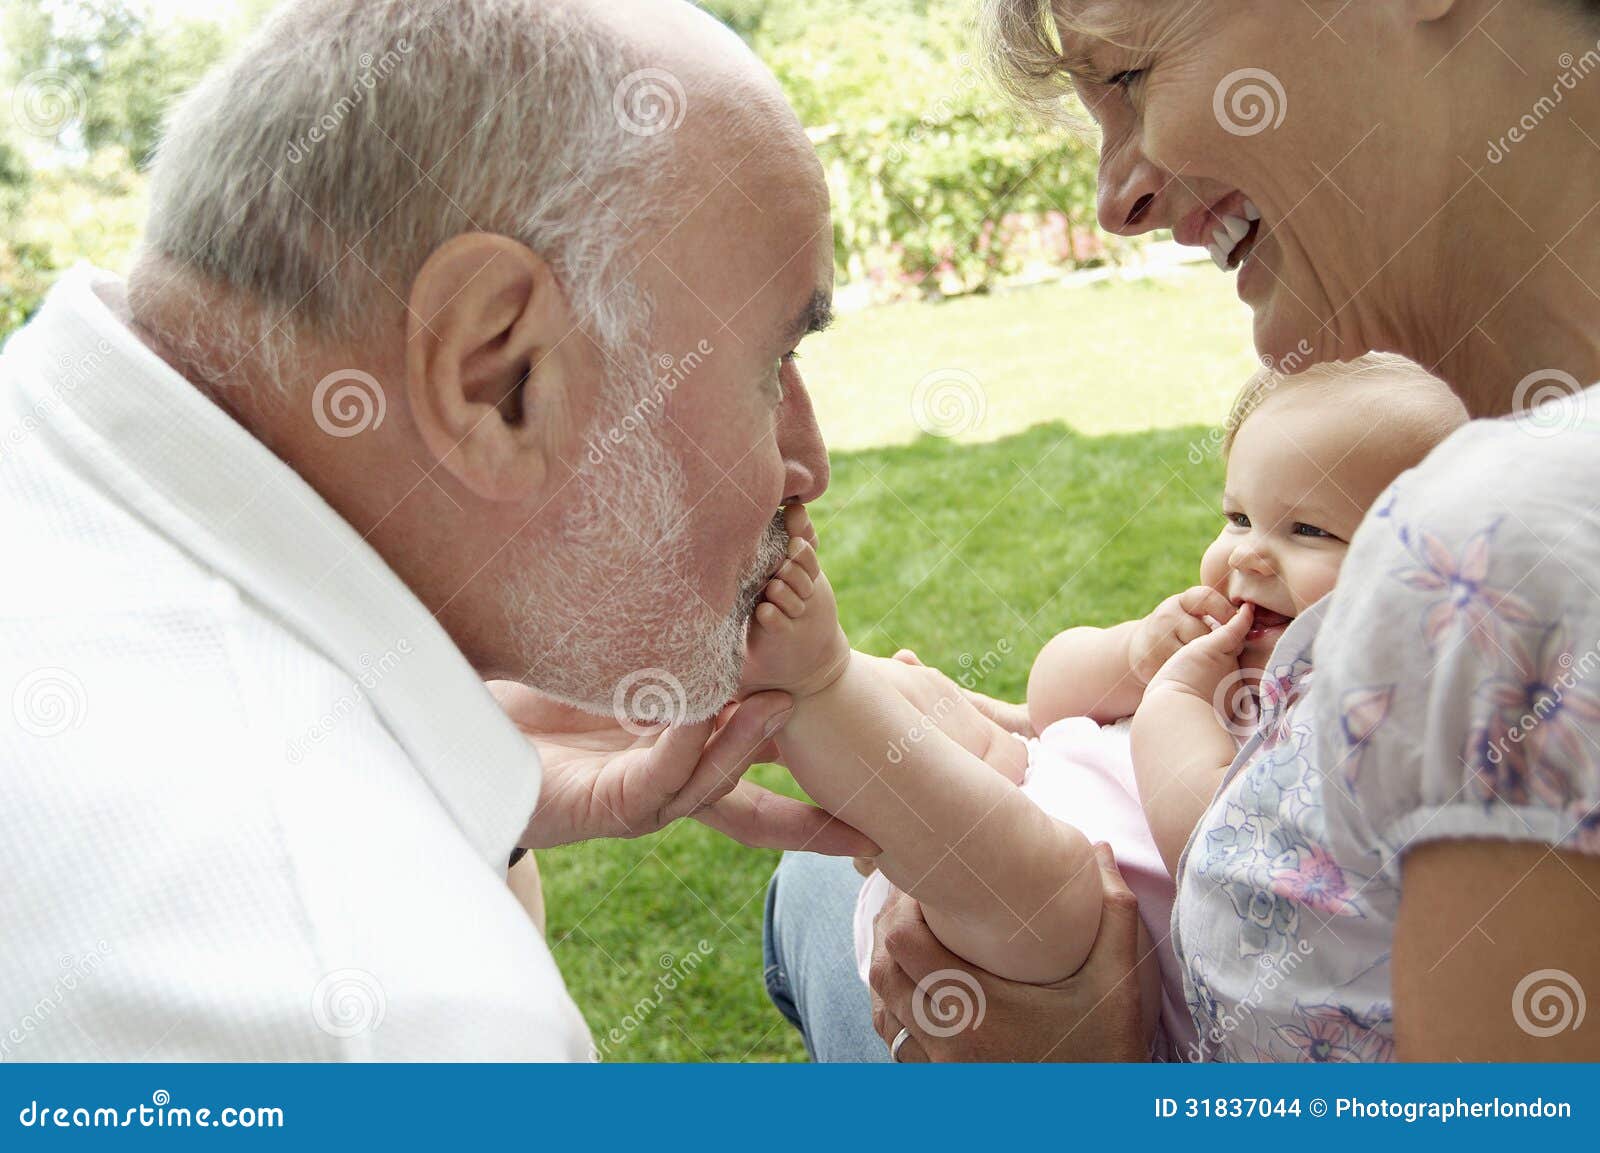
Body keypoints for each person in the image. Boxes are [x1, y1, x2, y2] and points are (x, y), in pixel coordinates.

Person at [0, 0, 870, 1060]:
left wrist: (450, 771)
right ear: (494, 374)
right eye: (772, 363)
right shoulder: (394, 1014)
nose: (808, 462)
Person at [770, 0, 1600, 1063]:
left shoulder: (1499, 546)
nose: (1118, 199)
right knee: (816, 868)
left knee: (809, 882)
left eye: (1127, 78)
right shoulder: (1473, 511)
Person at [761, 356, 1465, 1060]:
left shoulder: (1363, 724)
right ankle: (783, 691)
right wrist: (1135, 655)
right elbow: (1049, 696)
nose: (1248, 554)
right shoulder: (1226, 640)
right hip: (1024, 785)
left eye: (1309, 531)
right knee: (935, 707)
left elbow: (1218, 847)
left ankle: (818, 688)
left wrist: (1178, 698)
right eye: (1239, 516)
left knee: (1042, 879)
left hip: (1075, 960)